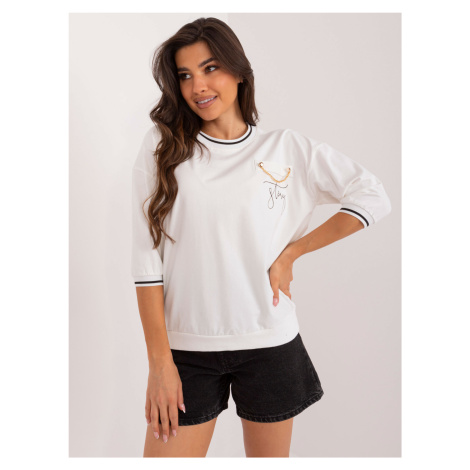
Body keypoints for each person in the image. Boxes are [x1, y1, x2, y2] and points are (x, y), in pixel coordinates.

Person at [131, 17, 392, 458]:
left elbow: (372, 195)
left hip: (270, 343)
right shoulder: (164, 146)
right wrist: (160, 363)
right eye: (185, 75)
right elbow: (145, 259)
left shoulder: (287, 149)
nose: (198, 86)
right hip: (186, 351)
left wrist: (293, 252)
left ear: (238, 71)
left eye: (210, 68)